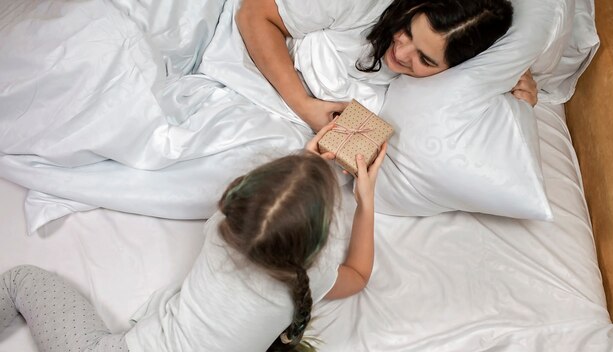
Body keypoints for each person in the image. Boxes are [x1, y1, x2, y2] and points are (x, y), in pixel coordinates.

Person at [0, 123, 388, 352]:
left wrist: (304, 160)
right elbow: (358, 274)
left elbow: (267, 205)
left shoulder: (219, 228)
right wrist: (366, 202)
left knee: (22, 281)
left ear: (235, 200)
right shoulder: (312, 278)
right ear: (313, 245)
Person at [236, 0, 538, 131]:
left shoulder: (454, 77)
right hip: (256, 53)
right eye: (407, 30)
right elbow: (253, 15)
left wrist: (513, 89)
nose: (402, 52)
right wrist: (302, 105)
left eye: (425, 59)